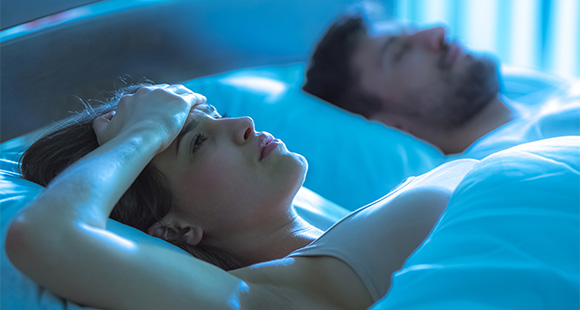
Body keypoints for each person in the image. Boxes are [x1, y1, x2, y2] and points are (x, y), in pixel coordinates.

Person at [5, 84, 477, 309]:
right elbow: (47, 238)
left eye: (215, 114)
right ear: (174, 229)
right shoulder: (271, 294)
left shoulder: (349, 228)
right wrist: (147, 128)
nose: (242, 124)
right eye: (196, 140)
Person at [303, 14, 579, 156]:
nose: (438, 32)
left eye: (414, 28)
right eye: (400, 53)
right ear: (392, 126)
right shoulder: (506, 169)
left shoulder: (557, 98)